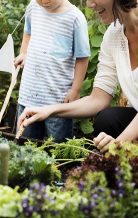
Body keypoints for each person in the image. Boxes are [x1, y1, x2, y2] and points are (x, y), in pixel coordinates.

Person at [17, 0, 138, 150]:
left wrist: (117, 145)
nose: (89, 5)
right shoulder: (113, 35)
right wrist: (49, 110)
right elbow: (98, 99)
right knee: (106, 120)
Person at [14, 0, 90, 142]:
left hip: (57, 102)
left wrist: (75, 90)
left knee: (57, 148)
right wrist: (24, 53)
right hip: (28, 98)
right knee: (25, 145)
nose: (44, 1)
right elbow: (27, 33)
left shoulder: (75, 18)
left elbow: (82, 58)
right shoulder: (33, 8)